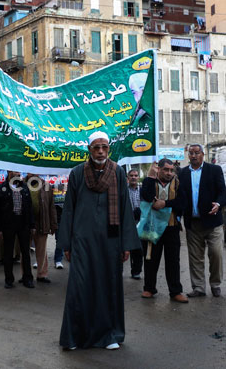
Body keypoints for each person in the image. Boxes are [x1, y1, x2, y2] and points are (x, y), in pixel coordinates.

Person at [57, 131, 140, 350]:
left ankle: (108, 336)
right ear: (89, 150)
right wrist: (66, 244)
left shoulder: (118, 173)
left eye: (104, 147)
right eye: (96, 147)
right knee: (79, 287)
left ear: (109, 149)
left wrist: (125, 245)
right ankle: (75, 337)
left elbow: (125, 210)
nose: (101, 151)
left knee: (107, 287)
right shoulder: (76, 173)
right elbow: (69, 210)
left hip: (110, 242)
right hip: (82, 242)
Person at [179, 144, 226, 298]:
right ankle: (198, 287)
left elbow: (222, 192)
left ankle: (215, 284)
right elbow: (180, 197)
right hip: (193, 223)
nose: (193, 156)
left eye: (196, 153)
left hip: (213, 222)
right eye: (191, 153)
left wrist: (218, 204)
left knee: (216, 254)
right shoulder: (182, 173)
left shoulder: (214, 170)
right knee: (195, 257)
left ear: (202, 154)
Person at [140, 159, 188, 303]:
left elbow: (183, 202)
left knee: (173, 260)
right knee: (150, 258)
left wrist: (165, 204)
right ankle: (149, 288)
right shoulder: (150, 181)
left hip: (171, 227)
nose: (169, 173)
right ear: (159, 169)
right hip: (152, 227)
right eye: (166, 170)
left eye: (171, 170)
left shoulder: (177, 183)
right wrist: (149, 177)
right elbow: (146, 196)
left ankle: (175, 291)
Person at [0, 171, 35, 289]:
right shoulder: (1, 189)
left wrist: (32, 225)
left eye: (18, 170)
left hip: (23, 224)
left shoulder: (25, 188)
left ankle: (28, 278)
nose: (17, 172)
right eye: (14, 170)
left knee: (25, 253)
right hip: (8, 225)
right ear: (9, 171)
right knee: (8, 253)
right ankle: (9, 280)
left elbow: (29, 207)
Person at [26, 174, 57, 283]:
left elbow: (51, 206)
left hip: (42, 222)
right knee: (24, 251)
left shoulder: (46, 185)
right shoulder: (21, 184)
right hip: (26, 224)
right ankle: (25, 275)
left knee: (41, 250)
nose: (33, 173)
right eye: (30, 171)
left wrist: (53, 225)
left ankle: (42, 275)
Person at [127, 169, 143, 279]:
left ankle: (136, 271)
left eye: (136, 175)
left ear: (138, 177)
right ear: (128, 177)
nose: (133, 177)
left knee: (138, 248)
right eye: (131, 175)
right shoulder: (123, 190)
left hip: (140, 222)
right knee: (126, 248)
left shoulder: (142, 190)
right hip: (127, 222)